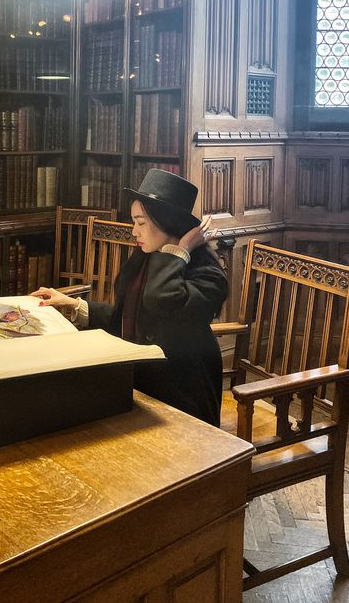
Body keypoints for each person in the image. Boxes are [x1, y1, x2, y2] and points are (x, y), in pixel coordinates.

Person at [30, 169, 228, 426]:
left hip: (181, 395)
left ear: (167, 221)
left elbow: (161, 300)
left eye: (141, 222)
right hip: (138, 383)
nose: (134, 231)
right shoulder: (146, 259)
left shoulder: (209, 277)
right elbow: (126, 318)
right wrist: (75, 306)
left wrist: (180, 250)